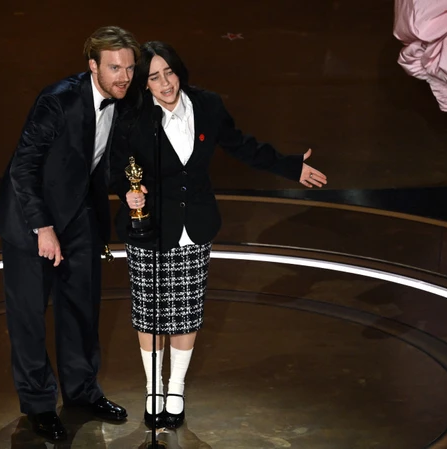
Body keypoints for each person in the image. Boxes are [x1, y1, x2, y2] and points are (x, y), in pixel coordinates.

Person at [109, 41, 328, 430]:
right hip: (149, 228)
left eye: (170, 73)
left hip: (195, 223)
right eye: (155, 78)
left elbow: (241, 145)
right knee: (150, 311)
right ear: (144, 84)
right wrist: (126, 193)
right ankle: (153, 386)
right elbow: (113, 166)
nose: (165, 84)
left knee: (186, 311)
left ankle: (175, 387)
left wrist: (291, 167)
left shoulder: (206, 105)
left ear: (180, 71)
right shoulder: (131, 116)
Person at [0, 26, 140, 442]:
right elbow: (24, 167)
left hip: (80, 218)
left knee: (81, 310)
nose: (123, 75)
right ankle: (38, 404)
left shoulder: (124, 99)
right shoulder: (57, 101)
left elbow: (105, 161)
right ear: (93, 66)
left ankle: (82, 393)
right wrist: (43, 228)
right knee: (29, 319)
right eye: (113, 67)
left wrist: (128, 189)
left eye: (128, 67)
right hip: (30, 220)